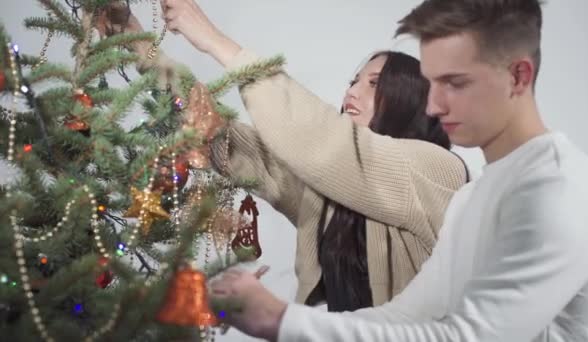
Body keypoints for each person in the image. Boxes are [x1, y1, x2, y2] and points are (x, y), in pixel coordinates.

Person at [162, 0, 588, 341]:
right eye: (432, 84)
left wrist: (280, 319)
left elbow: (465, 337)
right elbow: (405, 318)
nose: (434, 105)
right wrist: (139, 47)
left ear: (517, 77)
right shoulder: (477, 198)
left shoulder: (552, 187)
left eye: (453, 83)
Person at [96, 3, 468, 313]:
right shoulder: (327, 193)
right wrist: (133, 38)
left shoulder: (437, 170)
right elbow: (217, 133)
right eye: (354, 80)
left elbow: (326, 141)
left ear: (414, 101)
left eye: (375, 83)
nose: (353, 90)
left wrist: (214, 41)